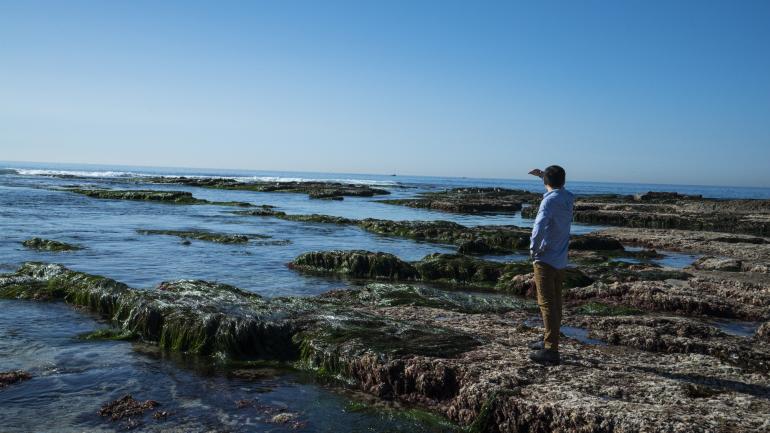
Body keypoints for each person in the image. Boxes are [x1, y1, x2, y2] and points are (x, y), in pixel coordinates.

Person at [527, 165, 574, 365]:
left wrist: (533, 249)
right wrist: (543, 177)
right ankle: (549, 338)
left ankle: (551, 349)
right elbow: (555, 188)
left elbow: (539, 226)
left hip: (545, 258)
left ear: (548, 181)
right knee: (555, 302)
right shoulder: (568, 197)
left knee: (546, 303)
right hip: (561, 259)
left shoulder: (549, 202)